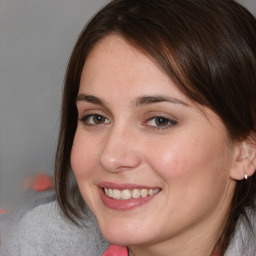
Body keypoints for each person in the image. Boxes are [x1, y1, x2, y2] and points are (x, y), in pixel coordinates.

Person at [57, 0, 255, 255]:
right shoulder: (38, 244)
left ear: (245, 151)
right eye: (96, 118)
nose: (111, 157)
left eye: (160, 121)